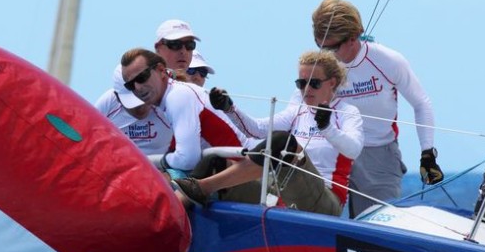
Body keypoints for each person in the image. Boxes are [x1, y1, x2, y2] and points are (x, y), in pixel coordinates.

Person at [174, 50, 363, 216]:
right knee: (214, 161)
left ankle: (203, 188)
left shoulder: (347, 112)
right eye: (301, 83)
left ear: (332, 83)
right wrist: (229, 108)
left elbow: (353, 150)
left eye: (313, 83)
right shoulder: (297, 111)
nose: (306, 89)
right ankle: (171, 215)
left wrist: (327, 128)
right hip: (283, 192)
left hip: (325, 199)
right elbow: (256, 130)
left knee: (284, 142)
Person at [311, 0, 443, 217]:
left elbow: (421, 103)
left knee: (377, 224)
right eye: (320, 46)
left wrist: (427, 153)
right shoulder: (321, 66)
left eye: (332, 47)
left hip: (378, 155)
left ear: (353, 37)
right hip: (331, 149)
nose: (326, 54)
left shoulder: (388, 61)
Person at [118, 47, 247, 178]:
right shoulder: (172, 100)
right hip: (236, 169)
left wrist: (151, 161)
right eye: (130, 85)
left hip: (243, 171)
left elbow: (187, 160)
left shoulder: (177, 96)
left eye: (142, 77)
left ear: (161, 70)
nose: (137, 87)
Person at [94, 64, 173, 156]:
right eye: (133, 103)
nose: (141, 109)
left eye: (144, 98)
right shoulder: (107, 105)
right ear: (117, 98)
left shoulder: (169, 101)